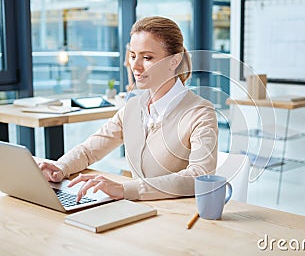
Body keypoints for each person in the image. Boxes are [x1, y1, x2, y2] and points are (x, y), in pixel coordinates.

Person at [39, 16, 218, 201]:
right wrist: (61, 167)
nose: (135, 66)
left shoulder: (200, 113)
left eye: (147, 57)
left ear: (174, 61)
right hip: (137, 212)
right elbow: (89, 150)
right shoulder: (133, 107)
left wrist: (126, 189)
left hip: (177, 218)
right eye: (133, 56)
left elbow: (200, 175)